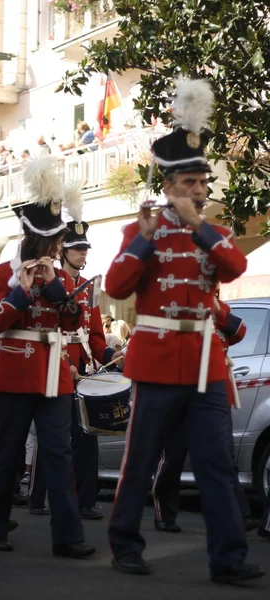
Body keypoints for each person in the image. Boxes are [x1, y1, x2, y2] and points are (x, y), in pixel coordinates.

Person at [105, 77, 265, 585]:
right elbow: (117, 284)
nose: (198, 190)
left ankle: (228, 557)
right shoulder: (141, 232)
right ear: (169, 185)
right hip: (154, 358)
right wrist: (146, 242)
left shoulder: (212, 232)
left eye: (202, 183)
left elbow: (235, 267)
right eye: (188, 184)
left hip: (204, 361)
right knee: (141, 458)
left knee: (216, 461)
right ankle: (125, 543)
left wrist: (199, 226)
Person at [0, 156, 95, 558]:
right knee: (8, 451)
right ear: (31, 240)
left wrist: (56, 291)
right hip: (12, 372)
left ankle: (67, 535)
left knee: (58, 453)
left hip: (54, 374)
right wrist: (22, 291)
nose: (55, 249)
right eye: (49, 243)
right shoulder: (0, 274)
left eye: (57, 243)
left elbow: (73, 320)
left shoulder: (62, 277)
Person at [28, 213, 123, 519]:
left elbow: (94, 336)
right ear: (64, 249)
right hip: (55, 365)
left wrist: (111, 355)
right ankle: (37, 496)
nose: (84, 253)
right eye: (77, 247)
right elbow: (46, 329)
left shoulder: (90, 286)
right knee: (53, 434)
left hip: (84, 370)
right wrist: (65, 362)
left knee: (87, 435)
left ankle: (86, 500)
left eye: (85, 248)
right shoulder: (50, 280)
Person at [151, 297, 257, 533]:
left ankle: (240, 513)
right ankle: (164, 514)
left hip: (215, 394)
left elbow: (239, 333)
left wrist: (217, 309)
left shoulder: (218, 306)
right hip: (181, 392)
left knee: (223, 456)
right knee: (173, 457)